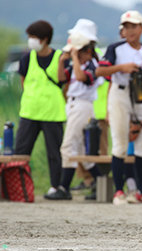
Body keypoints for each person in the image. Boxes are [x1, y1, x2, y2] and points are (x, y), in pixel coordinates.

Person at [95, 10, 142, 205]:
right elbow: (100, 70)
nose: (130, 30)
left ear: (141, 28)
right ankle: (119, 192)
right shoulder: (116, 48)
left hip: (139, 94)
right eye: (126, 26)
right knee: (120, 142)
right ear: (122, 30)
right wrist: (121, 67)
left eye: (133, 26)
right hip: (120, 93)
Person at [44, 31, 104, 200]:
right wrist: (62, 60)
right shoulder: (77, 64)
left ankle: (64, 187)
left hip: (83, 106)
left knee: (68, 147)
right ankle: (102, 185)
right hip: (73, 105)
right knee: (84, 152)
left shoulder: (92, 64)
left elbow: (81, 77)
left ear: (85, 51)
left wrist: (76, 58)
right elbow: (62, 78)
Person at [15, 20, 66, 198]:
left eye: (34, 37)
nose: (31, 40)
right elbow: (24, 83)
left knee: (54, 152)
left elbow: (63, 82)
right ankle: (17, 185)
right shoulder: (26, 58)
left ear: (45, 39)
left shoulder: (60, 57)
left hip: (53, 113)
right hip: (29, 111)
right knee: (21, 151)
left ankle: (55, 186)